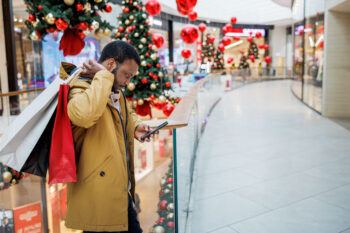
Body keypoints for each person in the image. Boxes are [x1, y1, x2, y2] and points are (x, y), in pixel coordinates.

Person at [63, 41, 150, 233]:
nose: (128, 81)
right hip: (98, 197)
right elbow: (84, 115)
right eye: (126, 74)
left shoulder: (113, 91)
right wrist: (103, 75)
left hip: (119, 192)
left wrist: (135, 127)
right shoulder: (79, 86)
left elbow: (125, 114)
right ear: (111, 64)